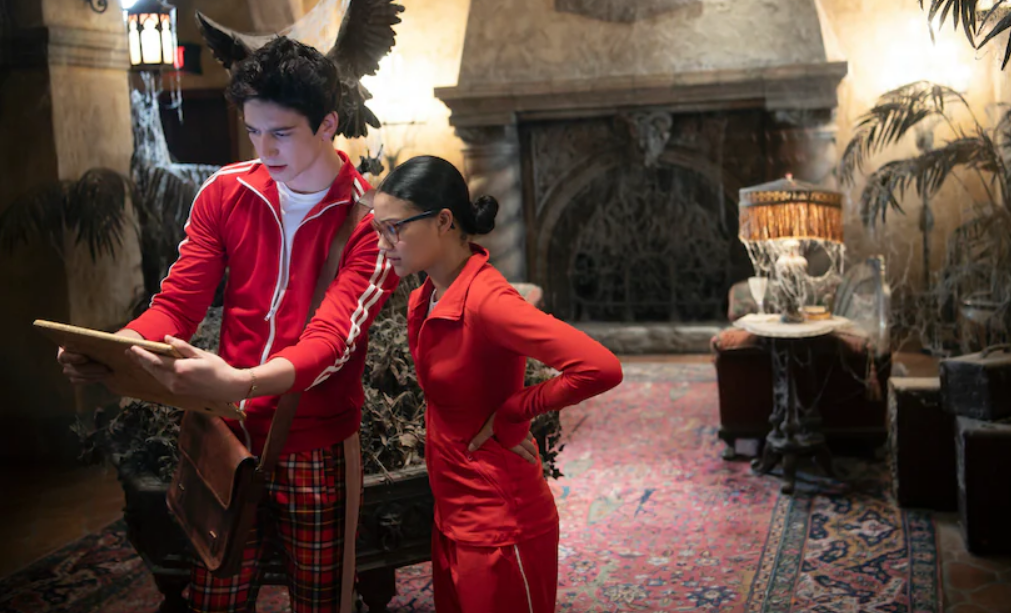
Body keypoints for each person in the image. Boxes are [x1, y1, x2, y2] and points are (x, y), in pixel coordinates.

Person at [58, 36, 399, 612]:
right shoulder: (226, 192)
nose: (265, 149)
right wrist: (119, 346)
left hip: (314, 441)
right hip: (224, 432)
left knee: (322, 602)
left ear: (328, 124)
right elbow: (179, 302)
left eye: (281, 133)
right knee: (215, 596)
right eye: (253, 131)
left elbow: (333, 340)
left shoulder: (372, 222)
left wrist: (241, 382)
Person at [370, 155, 623, 613]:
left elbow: (600, 367)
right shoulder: (423, 297)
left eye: (395, 229)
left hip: (501, 523)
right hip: (453, 514)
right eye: (378, 230)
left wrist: (514, 412)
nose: (384, 244)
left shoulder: (488, 302)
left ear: (443, 221)